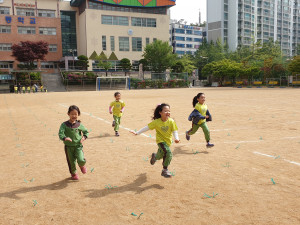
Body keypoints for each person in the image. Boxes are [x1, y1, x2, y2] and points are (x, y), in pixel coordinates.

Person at [131, 103, 180, 178]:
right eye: (165, 111)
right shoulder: (156, 122)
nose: (168, 112)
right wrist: (137, 132)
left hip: (168, 142)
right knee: (168, 153)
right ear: (160, 112)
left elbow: (174, 131)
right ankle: (165, 170)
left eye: (169, 111)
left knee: (161, 156)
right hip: (160, 141)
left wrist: (176, 138)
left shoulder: (171, 121)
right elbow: (146, 127)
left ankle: (155, 156)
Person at [58, 105, 89, 180]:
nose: (74, 116)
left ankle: (82, 165)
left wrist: (83, 138)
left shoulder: (79, 125)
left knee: (81, 159)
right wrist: (65, 138)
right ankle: (74, 173)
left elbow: (86, 132)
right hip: (68, 147)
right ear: (68, 114)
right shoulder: (64, 125)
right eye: (72, 114)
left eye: (76, 114)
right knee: (71, 162)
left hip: (78, 146)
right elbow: (60, 133)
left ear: (78, 114)